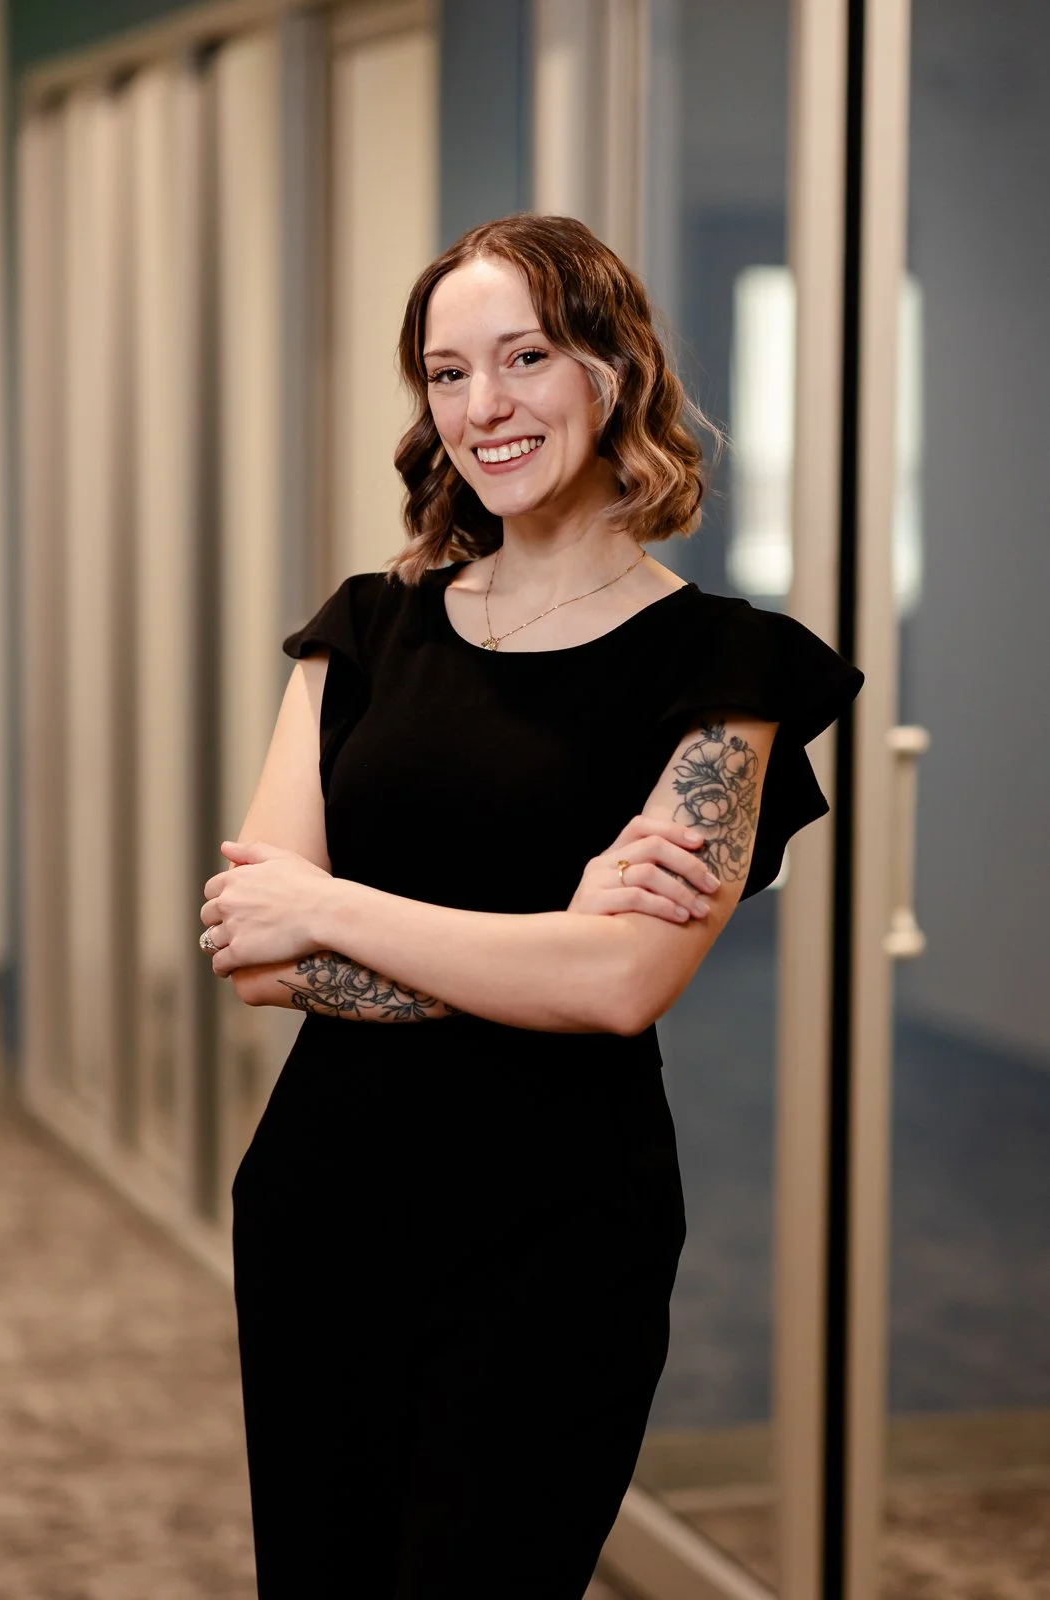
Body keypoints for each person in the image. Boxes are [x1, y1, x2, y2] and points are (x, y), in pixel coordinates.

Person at [198, 213, 863, 1598]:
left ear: (612, 374)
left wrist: (336, 906)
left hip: (559, 1233)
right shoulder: (365, 632)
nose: (483, 406)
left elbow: (621, 986)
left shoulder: (725, 670)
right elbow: (254, 954)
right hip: (327, 1207)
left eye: (526, 357)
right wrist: (543, 940)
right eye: (447, 373)